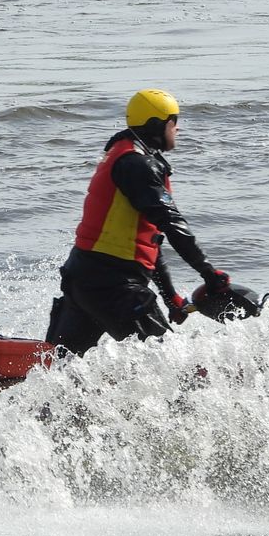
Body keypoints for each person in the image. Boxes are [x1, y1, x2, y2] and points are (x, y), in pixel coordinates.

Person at [45, 87, 233, 355]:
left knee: (59, 366)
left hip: (84, 278)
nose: (178, 129)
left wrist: (170, 296)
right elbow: (172, 225)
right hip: (113, 286)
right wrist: (209, 274)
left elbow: (148, 239)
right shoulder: (137, 165)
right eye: (174, 122)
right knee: (167, 361)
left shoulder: (122, 154)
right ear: (158, 125)